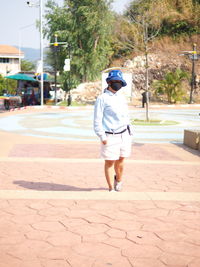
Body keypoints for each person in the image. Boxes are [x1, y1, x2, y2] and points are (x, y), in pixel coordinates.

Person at [94, 69, 133, 192]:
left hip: (124, 135)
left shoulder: (121, 98)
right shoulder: (102, 98)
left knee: (121, 160)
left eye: (119, 81)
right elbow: (97, 120)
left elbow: (126, 116)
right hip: (110, 136)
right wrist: (102, 137)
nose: (117, 83)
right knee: (110, 163)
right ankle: (111, 188)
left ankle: (119, 180)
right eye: (115, 81)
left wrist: (130, 132)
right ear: (109, 82)